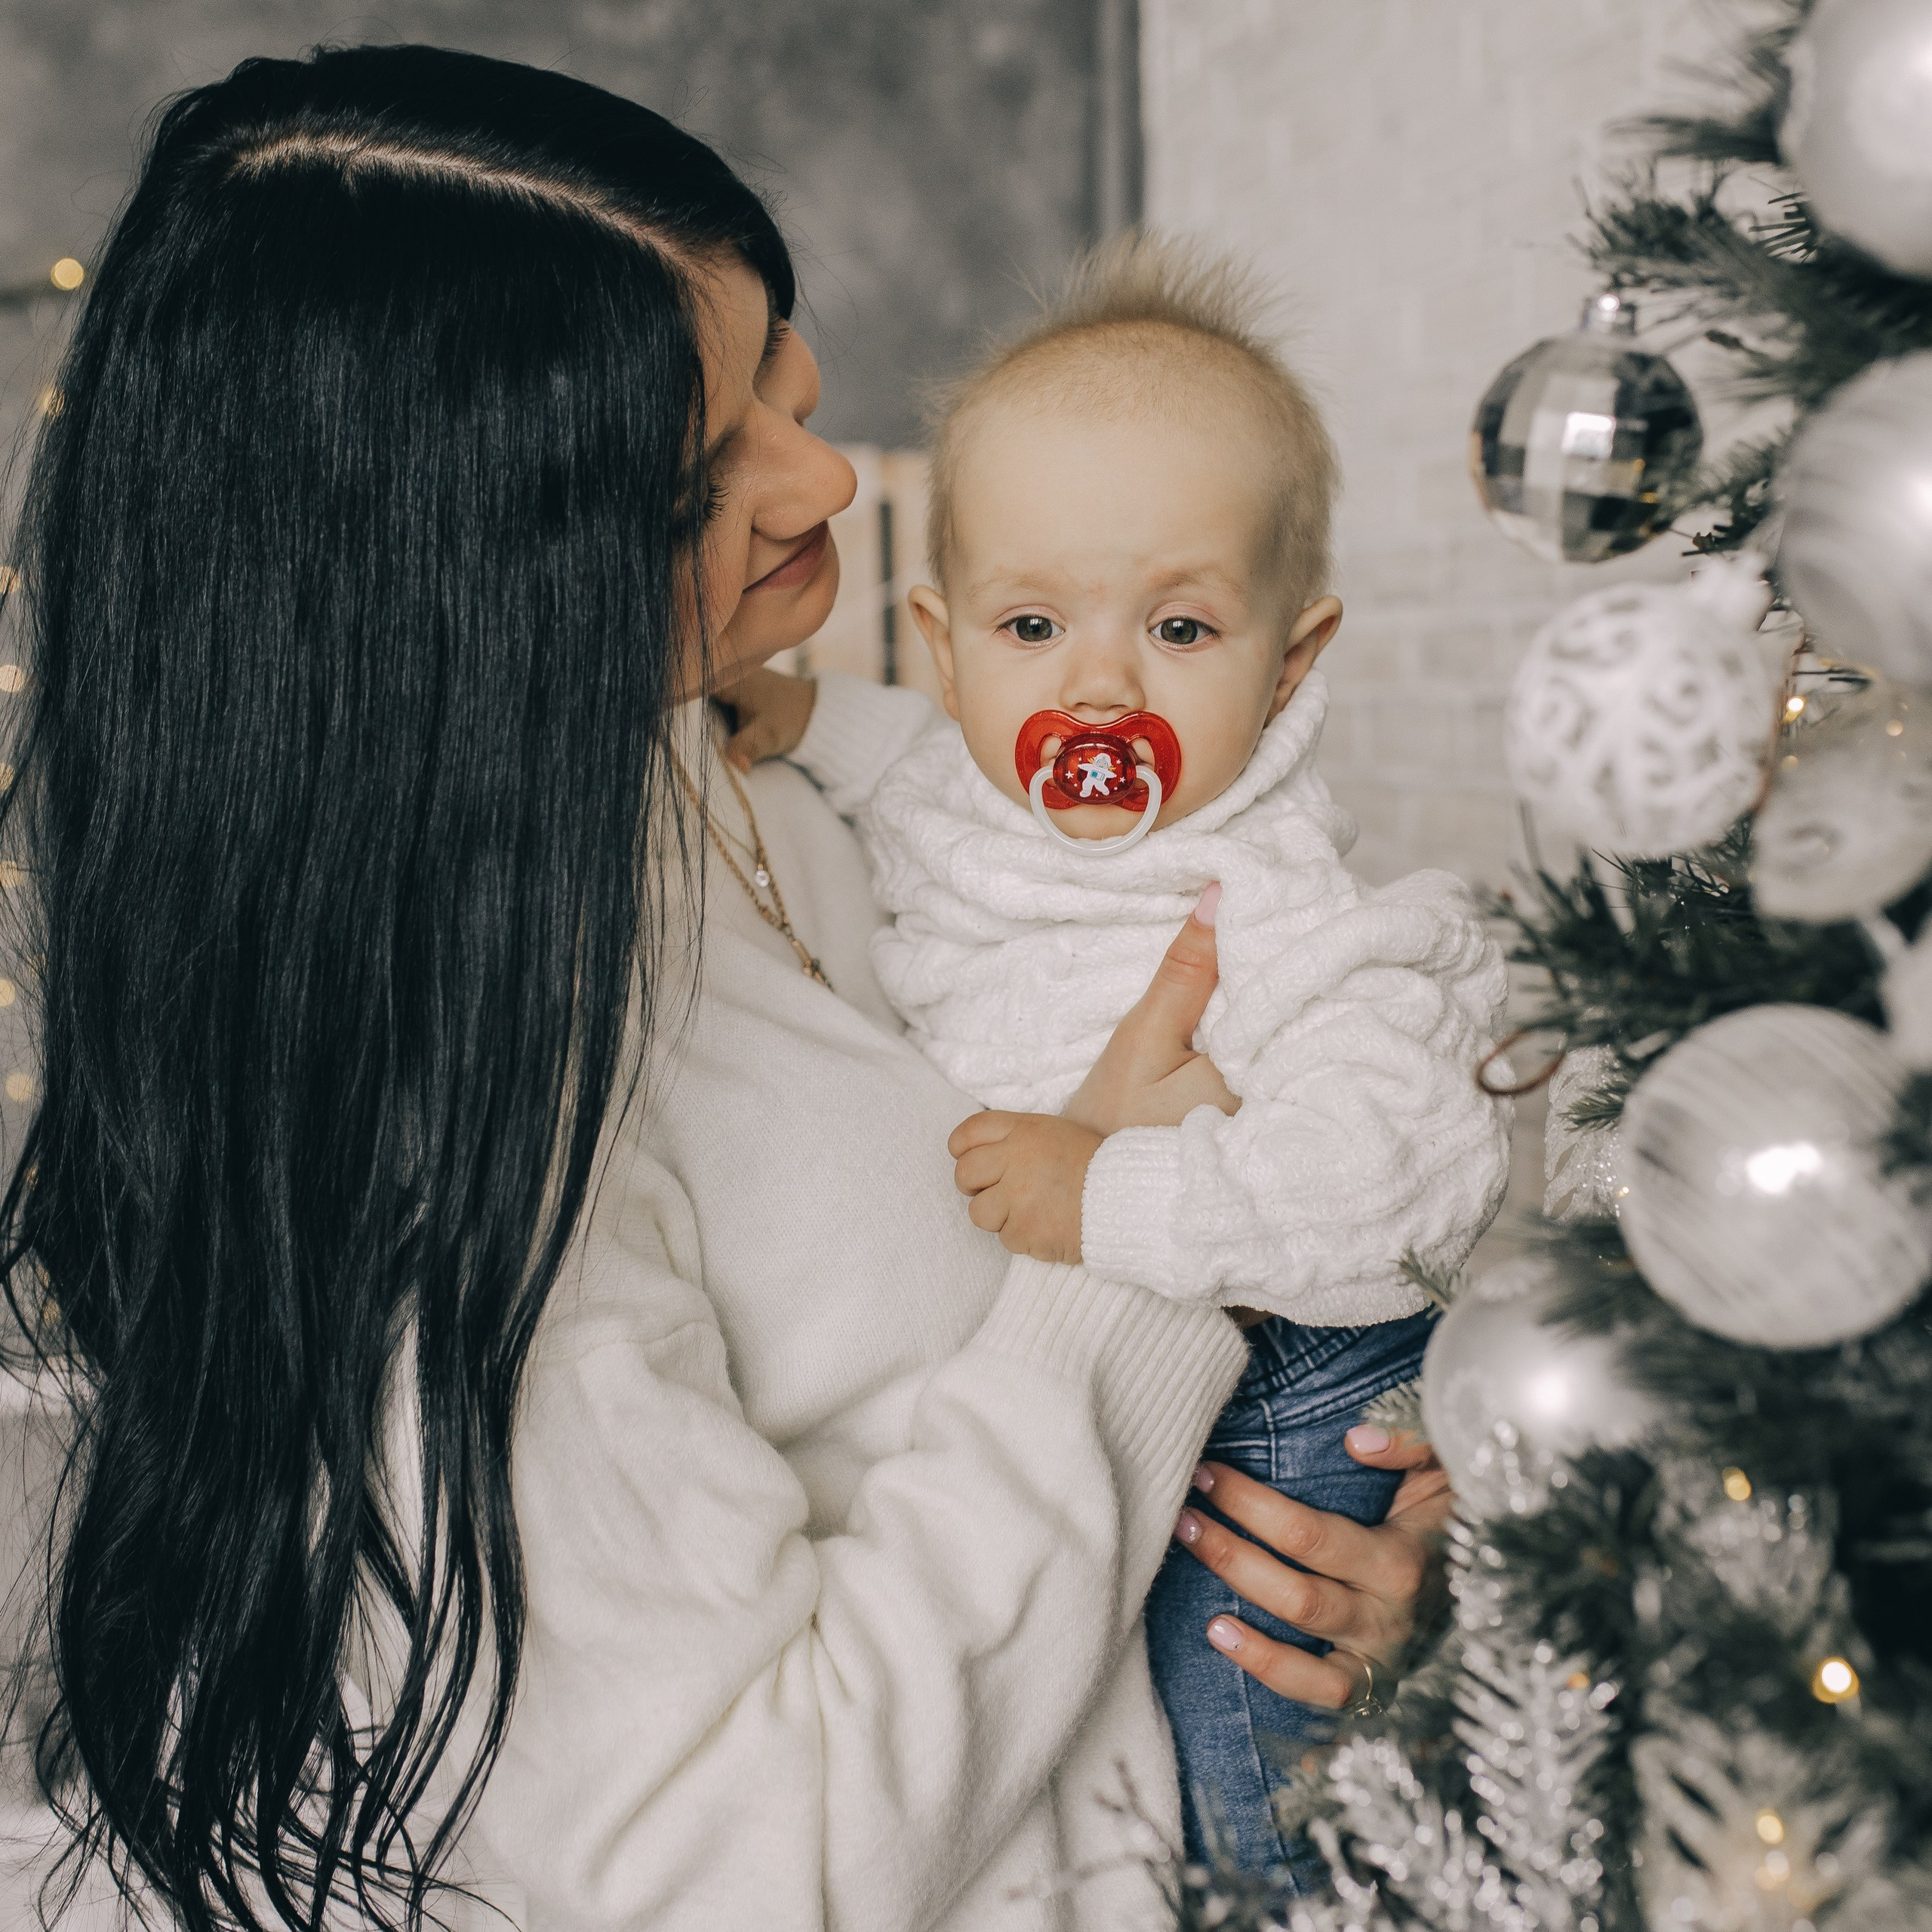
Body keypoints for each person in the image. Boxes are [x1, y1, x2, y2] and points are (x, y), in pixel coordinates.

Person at [0, 45, 1452, 1932]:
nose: (825, 475)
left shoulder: (728, 755)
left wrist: (1345, 1568)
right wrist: (1118, 1248)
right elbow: (749, 1870)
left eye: (786, 372)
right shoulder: (472, 1151)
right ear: (471, 576)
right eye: (707, 470)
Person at [719, 235, 1509, 1874]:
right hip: (1086, 1419)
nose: (1093, 683)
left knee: (1245, 1781)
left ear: (1290, 660)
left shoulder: (1285, 910)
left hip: (1281, 1398)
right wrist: (790, 720)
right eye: (1030, 623)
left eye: (1176, 626)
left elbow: (1394, 1180)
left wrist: (1110, 1197)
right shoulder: (960, 781)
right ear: (943, 649)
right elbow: (914, 770)